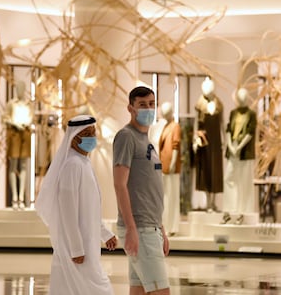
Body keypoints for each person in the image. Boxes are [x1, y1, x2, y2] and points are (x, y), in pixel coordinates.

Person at [36, 115, 117, 295]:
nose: (92, 138)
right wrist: (76, 248)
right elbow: (68, 212)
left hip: (87, 242)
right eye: (87, 134)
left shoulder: (84, 163)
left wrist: (105, 234)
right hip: (77, 247)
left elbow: (90, 210)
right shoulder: (72, 166)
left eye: (93, 133)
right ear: (74, 138)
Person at [113, 86, 170, 295]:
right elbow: (119, 184)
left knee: (139, 291)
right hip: (140, 229)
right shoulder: (126, 137)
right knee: (161, 292)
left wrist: (160, 228)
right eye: (142, 105)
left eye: (152, 104)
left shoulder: (147, 141)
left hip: (150, 227)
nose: (148, 109)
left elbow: (148, 188)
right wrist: (130, 228)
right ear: (131, 108)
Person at [221, 88, 257, 224]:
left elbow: (250, 131)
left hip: (245, 152)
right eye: (240, 97)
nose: (242, 100)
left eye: (244, 97)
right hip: (233, 150)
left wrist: (240, 146)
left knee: (244, 181)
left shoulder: (251, 114)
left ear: (247, 98)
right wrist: (230, 146)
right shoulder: (233, 113)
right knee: (229, 178)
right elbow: (229, 129)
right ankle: (229, 210)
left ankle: (242, 212)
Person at [193, 77, 224, 212]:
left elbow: (222, 123)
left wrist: (224, 140)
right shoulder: (200, 103)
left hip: (216, 142)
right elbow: (196, 123)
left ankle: (213, 202)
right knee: (205, 170)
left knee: (215, 170)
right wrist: (195, 140)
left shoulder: (218, 104)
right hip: (204, 142)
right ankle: (207, 202)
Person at [4, 81, 33, 210]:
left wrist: (26, 123)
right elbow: (5, 118)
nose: (20, 90)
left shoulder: (28, 104)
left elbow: (31, 117)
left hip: (25, 134)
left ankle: (21, 197)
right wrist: (15, 124)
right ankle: (14, 197)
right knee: (13, 164)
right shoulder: (11, 104)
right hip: (14, 133)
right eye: (18, 88)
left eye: (22, 88)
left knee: (24, 165)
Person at [158, 102, 181, 236]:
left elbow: (176, 145)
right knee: (165, 196)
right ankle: (166, 225)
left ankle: (172, 227)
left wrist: (173, 162)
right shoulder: (167, 126)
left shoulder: (175, 126)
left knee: (171, 196)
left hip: (171, 167)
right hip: (164, 166)